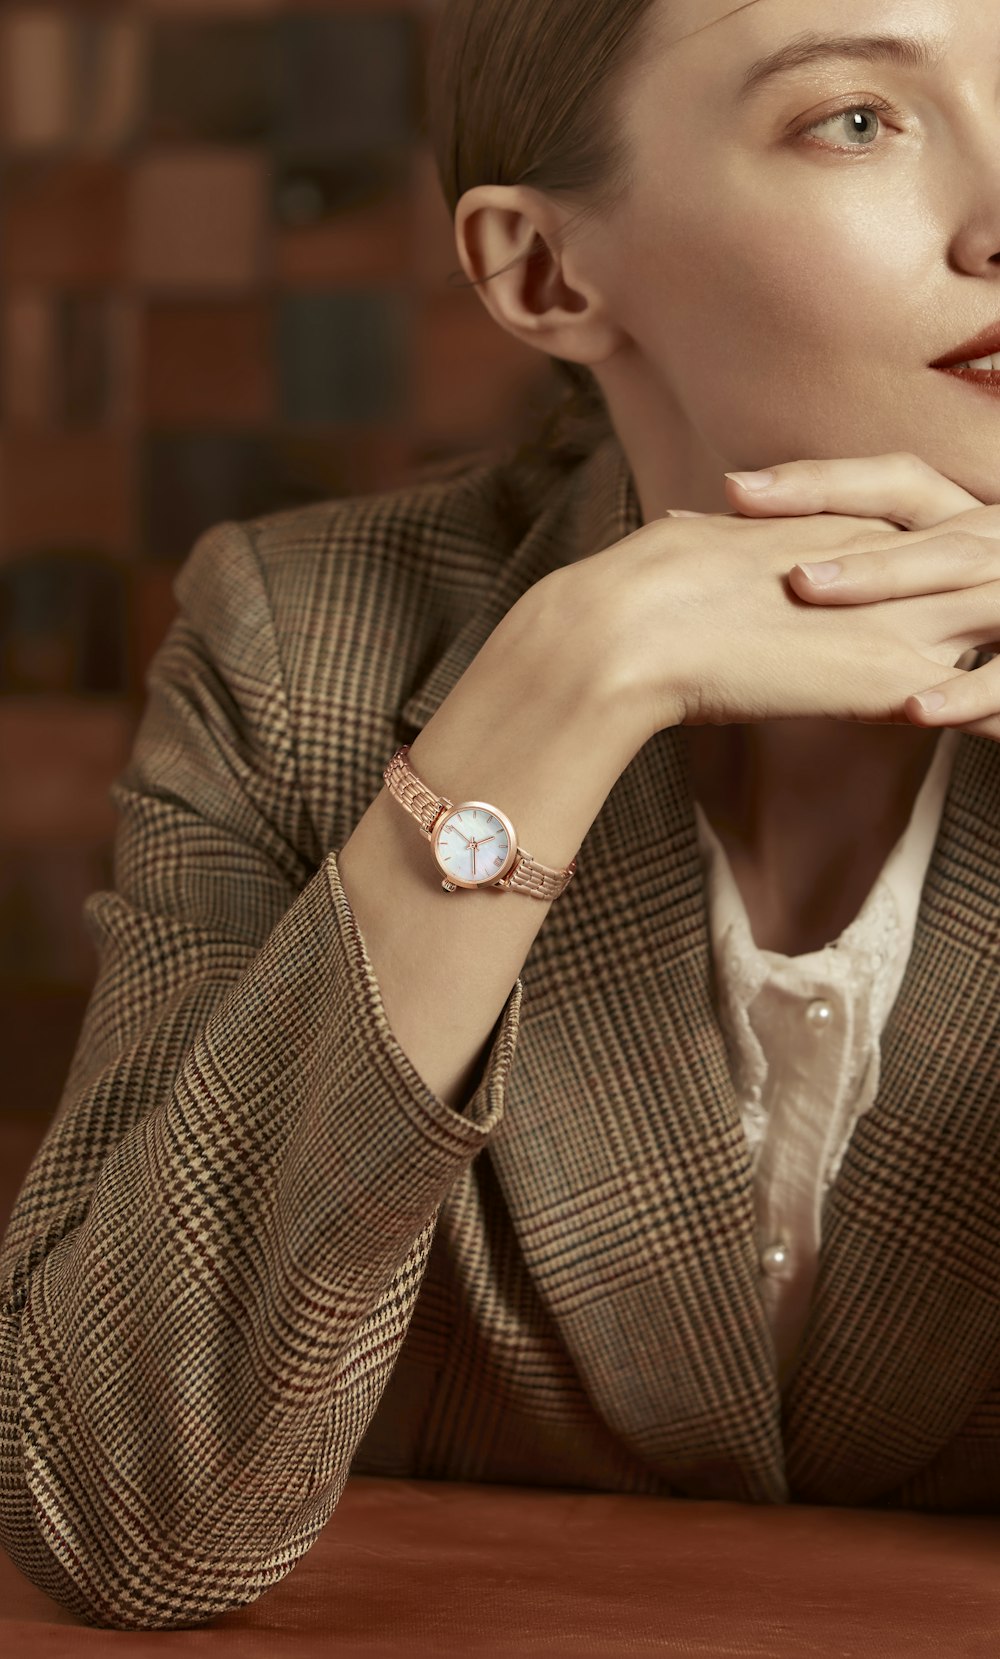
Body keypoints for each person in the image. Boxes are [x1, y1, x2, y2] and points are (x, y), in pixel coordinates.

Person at [2, 0, 999, 1632]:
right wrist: (561, 684)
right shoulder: (305, 638)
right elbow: (127, 1512)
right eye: (859, 120)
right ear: (544, 271)